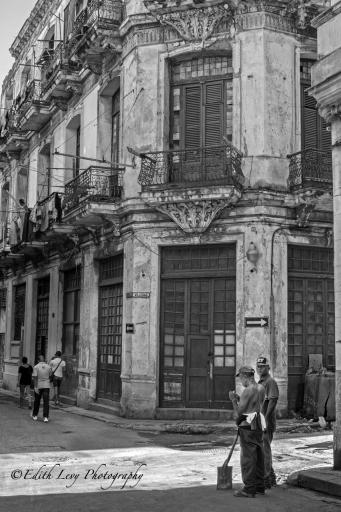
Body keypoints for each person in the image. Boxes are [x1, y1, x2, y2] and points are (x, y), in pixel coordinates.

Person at [229, 366, 266, 498]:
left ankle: (249, 489)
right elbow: (253, 406)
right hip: (258, 424)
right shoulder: (261, 388)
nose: (241, 382)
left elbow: (239, 413)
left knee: (248, 458)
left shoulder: (247, 390)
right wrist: (241, 400)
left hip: (247, 426)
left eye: (241, 379)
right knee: (258, 455)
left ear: (245, 377)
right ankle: (260, 486)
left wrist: (234, 400)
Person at [256, 356, 279, 488]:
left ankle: (267, 478)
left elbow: (273, 400)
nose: (260, 368)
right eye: (258, 366)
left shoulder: (270, 382)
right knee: (263, 450)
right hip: (260, 421)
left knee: (265, 450)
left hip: (266, 423)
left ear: (268, 368)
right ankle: (270, 477)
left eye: (263, 366)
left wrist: (264, 420)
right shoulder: (261, 382)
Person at [32, 354, 51, 423]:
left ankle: (35, 415)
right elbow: (50, 375)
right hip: (46, 386)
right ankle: (45, 417)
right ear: (44, 359)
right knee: (46, 402)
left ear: (38, 360)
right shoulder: (48, 367)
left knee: (37, 401)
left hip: (39, 385)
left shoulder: (36, 367)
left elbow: (35, 378)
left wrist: (35, 387)